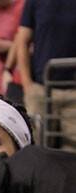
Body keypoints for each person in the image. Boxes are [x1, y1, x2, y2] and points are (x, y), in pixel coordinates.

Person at [15, 0, 76, 148]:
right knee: (38, 151)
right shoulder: (35, 2)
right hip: (40, 90)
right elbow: (22, 41)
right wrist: (27, 85)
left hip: (73, 93)